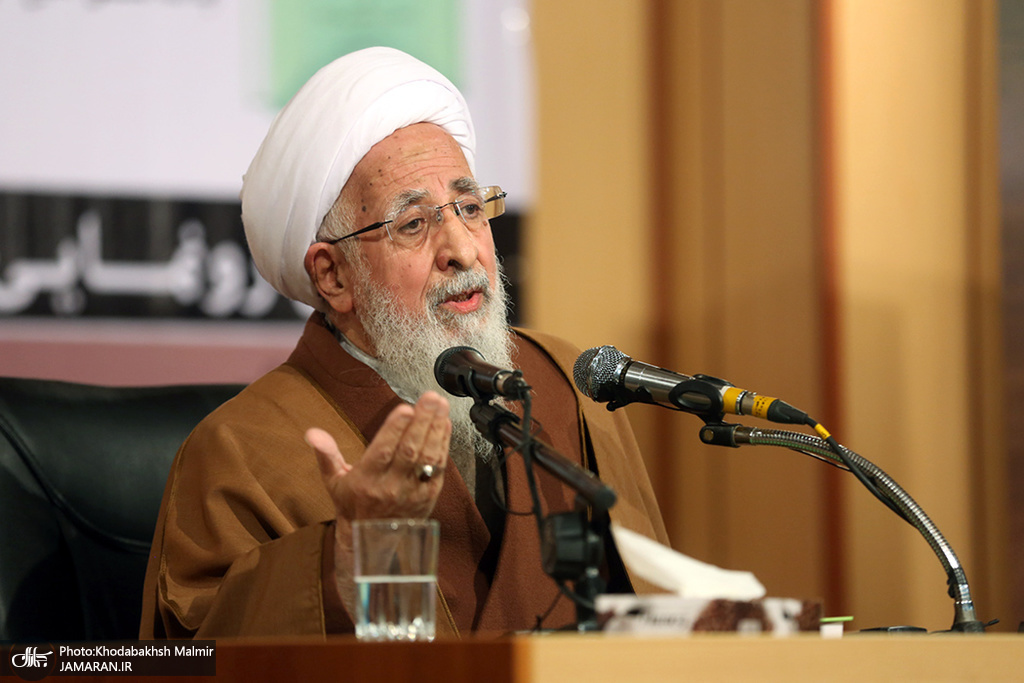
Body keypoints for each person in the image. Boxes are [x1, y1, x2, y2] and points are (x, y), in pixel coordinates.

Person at [140, 46, 668, 639]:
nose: (463, 250)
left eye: (470, 208)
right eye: (413, 224)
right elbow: (198, 655)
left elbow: (653, 613)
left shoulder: (564, 380)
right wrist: (347, 560)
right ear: (333, 277)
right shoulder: (238, 450)